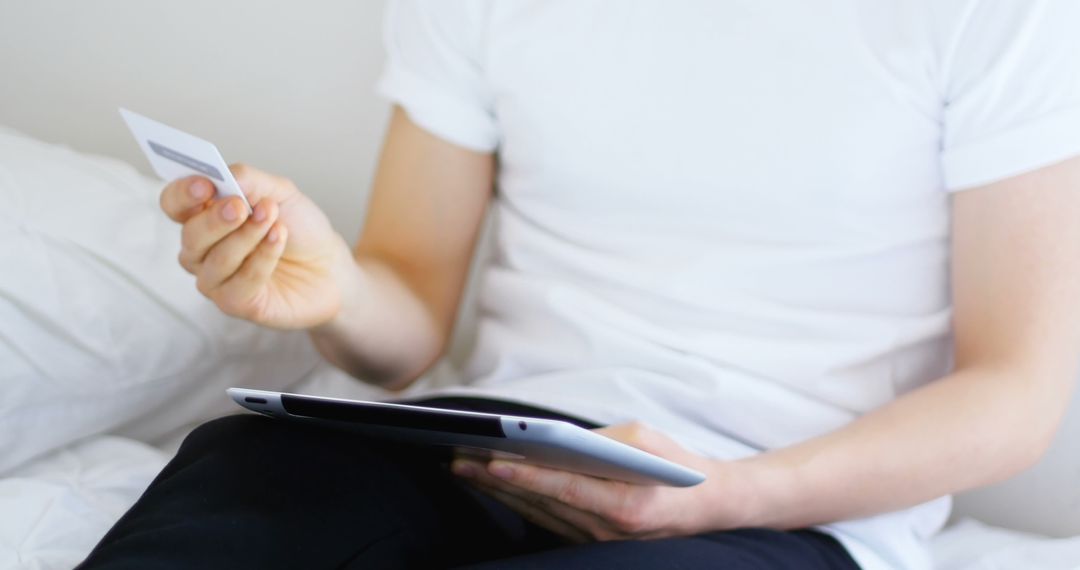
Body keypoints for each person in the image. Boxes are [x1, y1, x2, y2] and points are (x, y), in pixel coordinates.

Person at [80, 1, 1080, 568]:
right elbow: (411, 313)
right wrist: (333, 288)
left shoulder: (999, 17)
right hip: (499, 439)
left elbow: (1014, 397)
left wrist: (726, 497)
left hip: (784, 502)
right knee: (249, 471)